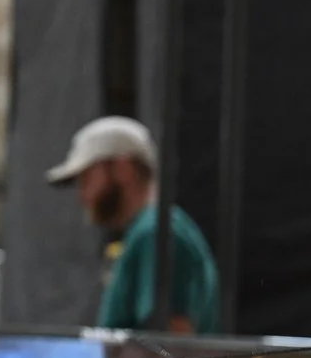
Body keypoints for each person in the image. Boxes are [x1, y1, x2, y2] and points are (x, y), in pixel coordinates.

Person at [46, 115, 221, 336]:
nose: (82, 196)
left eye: (87, 179)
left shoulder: (154, 232)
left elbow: (173, 343)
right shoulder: (153, 230)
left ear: (122, 168)